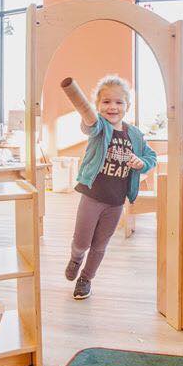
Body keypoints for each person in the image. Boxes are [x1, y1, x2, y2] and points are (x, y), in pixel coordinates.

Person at [65, 75, 156, 299]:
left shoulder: (134, 134)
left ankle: (85, 279)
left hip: (116, 200)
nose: (112, 107)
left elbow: (151, 156)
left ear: (127, 106)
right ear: (97, 106)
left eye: (118, 102)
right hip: (92, 196)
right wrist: (87, 112)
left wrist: (142, 162)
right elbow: (89, 124)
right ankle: (76, 258)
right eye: (106, 102)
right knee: (82, 242)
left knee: (100, 245)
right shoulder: (99, 127)